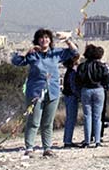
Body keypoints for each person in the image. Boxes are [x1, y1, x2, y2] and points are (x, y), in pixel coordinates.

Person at [12, 28, 78, 157]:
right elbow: (16, 61)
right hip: (35, 92)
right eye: (41, 38)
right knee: (34, 121)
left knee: (48, 122)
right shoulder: (33, 55)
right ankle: (29, 147)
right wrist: (27, 52)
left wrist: (67, 40)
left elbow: (74, 52)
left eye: (47, 37)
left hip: (53, 91)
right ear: (37, 40)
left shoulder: (55, 53)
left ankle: (47, 148)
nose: (44, 40)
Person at [75, 44, 109, 148]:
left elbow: (78, 80)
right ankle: (97, 141)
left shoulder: (82, 66)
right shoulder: (101, 66)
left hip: (86, 90)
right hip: (99, 90)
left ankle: (87, 141)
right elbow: (106, 79)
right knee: (97, 117)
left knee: (87, 116)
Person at [61, 54, 81, 148]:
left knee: (70, 118)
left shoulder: (69, 72)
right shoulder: (72, 73)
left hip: (68, 96)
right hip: (71, 96)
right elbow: (73, 87)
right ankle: (68, 140)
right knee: (71, 119)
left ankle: (68, 139)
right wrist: (79, 95)